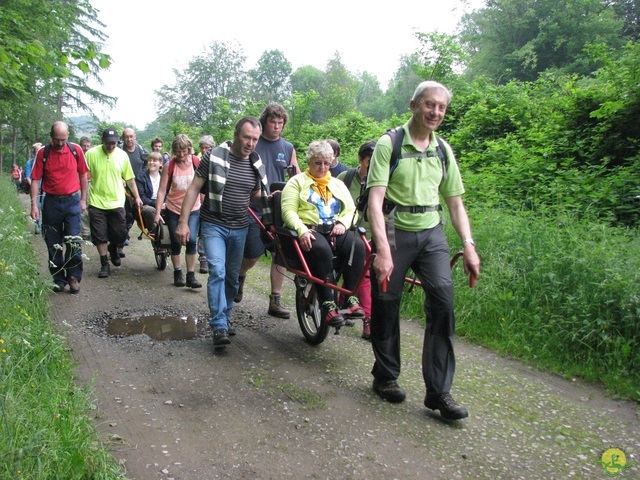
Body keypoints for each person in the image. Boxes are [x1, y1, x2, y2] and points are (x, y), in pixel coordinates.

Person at [367, 81, 480, 420]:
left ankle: (439, 392)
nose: (435, 112)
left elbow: (456, 204)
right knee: (387, 304)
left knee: (444, 303)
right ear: (413, 105)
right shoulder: (390, 144)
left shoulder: (443, 149)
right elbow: (375, 201)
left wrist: (469, 246)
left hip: (432, 233)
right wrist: (383, 251)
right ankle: (385, 377)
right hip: (396, 231)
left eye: (441, 107)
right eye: (429, 105)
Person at [175, 116, 270, 347]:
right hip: (214, 224)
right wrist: (183, 222)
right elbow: (194, 189)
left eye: (255, 139)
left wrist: (271, 197)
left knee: (231, 276)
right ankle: (218, 325)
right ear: (237, 135)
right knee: (217, 271)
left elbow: (254, 195)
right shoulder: (214, 156)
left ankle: (225, 318)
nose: (251, 143)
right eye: (247, 137)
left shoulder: (255, 163)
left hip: (240, 227)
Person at [281, 140, 366, 327]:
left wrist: (343, 223)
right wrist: (302, 230)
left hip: (335, 229)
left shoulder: (337, 184)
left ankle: (350, 297)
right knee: (321, 249)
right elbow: (288, 211)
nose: (322, 167)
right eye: (318, 163)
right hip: (310, 229)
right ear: (309, 162)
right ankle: (327, 302)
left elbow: (352, 209)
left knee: (358, 246)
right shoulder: (297, 182)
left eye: (326, 163)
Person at [236, 103, 300, 318]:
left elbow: (297, 178)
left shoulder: (288, 148)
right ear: (264, 122)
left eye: (280, 123)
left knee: (280, 255)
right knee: (252, 254)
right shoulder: (254, 143)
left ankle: (275, 300)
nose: (276, 126)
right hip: (253, 206)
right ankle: (240, 276)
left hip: (279, 208)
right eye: (272, 122)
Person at [29, 121, 88, 293]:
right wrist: (34, 205)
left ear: (68, 135)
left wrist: (83, 199)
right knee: (53, 243)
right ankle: (58, 279)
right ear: (51, 137)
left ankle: (74, 277)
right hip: (51, 203)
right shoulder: (43, 153)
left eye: (63, 139)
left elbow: (83, 175)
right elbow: (35, 179)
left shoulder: (75, 150)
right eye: (57, 139)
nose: (60, 143)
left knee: (74, 242)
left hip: (72, 201)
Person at [85, 128, 143, 278]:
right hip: (96, 201)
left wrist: (136, 197)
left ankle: (113, 248)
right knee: (99, 235)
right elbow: (83, 175)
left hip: (117, 201)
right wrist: (81, 197)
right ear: (102, 141)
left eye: (114, 143)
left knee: (120, 233)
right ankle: (104, 264)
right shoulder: (91, 154)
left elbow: (130, 178)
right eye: (108, 143)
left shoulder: (122, 155)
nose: (111, 146)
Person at [337, 140, 376, 340]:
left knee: (364, 275)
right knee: (363, 275)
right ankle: (366, 318)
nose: (373, 165)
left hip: (372, 234)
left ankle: (344, 302)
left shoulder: (380, 180)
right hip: (347, 232)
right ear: (361, 159)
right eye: (370, 160)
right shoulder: (346, 177)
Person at [154, 134, 202, 289]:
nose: (181, 155)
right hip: (174, 208)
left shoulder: (196, 162)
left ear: (189, 149)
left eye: (184, 152)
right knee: (175, 241)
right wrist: (157, 213)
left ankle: (191, 275)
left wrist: (205, 204)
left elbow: (202, 187)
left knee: (192, 240)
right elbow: (162, 191)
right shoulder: (170, 165)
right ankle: (177, 272)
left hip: (194, 208)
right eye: (178, 152)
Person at [120, 128, 149, 256]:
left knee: (134, 214)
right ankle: (120, 241)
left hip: (138, 188)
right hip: (122, 189)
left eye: (131, 136)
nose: (129, 139)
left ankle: (125, 234)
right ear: (122, 138)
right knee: (123, 215)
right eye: (126, 137)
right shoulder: (119, 152)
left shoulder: (142, 151)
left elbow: (149, 165)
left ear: (135, 136)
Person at [196, 135, 216, 273]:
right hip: (199, 201)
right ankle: (203, 258)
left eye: (207, 147)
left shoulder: (217, 160)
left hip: (211, 201)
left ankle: (209, 258)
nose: (204, 150)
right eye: (202, 147)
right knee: (202, 231)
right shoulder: (197, 160)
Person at [135, 151, 163, 231]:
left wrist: (165, 203)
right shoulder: (141, 177)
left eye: (155, 160)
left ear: (160, 163)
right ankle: (155, 233)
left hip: (163, 203)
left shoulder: (164, 177)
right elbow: (142, 197)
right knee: (149, 211)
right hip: (148, 204)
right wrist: (156, 203)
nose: (151, 162)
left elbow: (168, 193)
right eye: (150, 160)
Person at [25, 142, 43, 233]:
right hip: (35, 188)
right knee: (36, 206)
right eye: (36, 151)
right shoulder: (29, 163)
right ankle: (38, 225)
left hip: (44, 188)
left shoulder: (45, 160)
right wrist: (33, 186)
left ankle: (45, 225)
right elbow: (28, 176)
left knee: (45, 207)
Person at [79, 136, 92, 239]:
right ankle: (86, 232)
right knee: (83, 207)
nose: (86, 148)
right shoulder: (78, 156)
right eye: (84, 146)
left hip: (92, 182)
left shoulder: (92, 156)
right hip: (80, 183)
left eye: (88, 146)